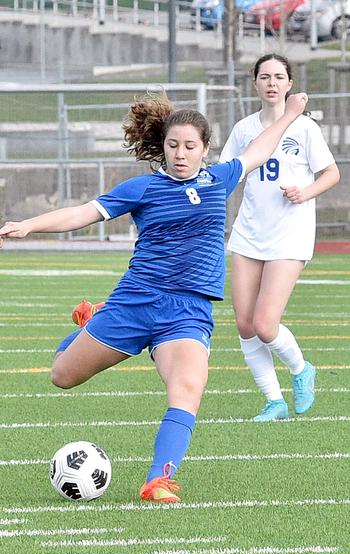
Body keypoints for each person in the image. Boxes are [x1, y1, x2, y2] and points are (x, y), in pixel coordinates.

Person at [0, 89, 308, 501]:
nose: (180, 154)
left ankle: (157, 480)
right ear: (162, 147)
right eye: (173, 145)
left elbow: (259, 147)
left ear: (205, 149)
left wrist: (288, 114)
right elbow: (83, 213)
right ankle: (96, 318)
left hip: (188, 311)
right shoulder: (143, 188)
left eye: (190, 146)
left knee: (187, 389)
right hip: (136, 302)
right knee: (62, 376)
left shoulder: (221, 178)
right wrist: (28, 225)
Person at [220, 54, 340, 422]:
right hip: (248, 234)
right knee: (244, 323)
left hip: (290, 235)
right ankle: (274, 401)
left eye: (279, 77)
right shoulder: (243, 129)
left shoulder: (304, 128)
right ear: (254, 83)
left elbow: (331, 173)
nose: (272, 83)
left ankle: (302, 369)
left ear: (290, 84)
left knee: (265, 324)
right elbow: (229, 174)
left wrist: (306, 191)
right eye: (264, 77)